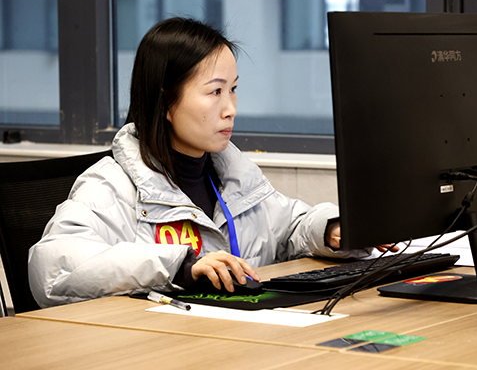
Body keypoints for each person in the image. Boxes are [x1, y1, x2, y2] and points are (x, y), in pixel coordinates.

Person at [28, 17, 391, 308]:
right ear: (165, 102)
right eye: (215, 91)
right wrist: (179, 266)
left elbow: (289, 227)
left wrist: (332, 229)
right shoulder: (110, 185)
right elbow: (51, 268)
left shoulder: (233, 175)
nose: (230, 108)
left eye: (233, 89)